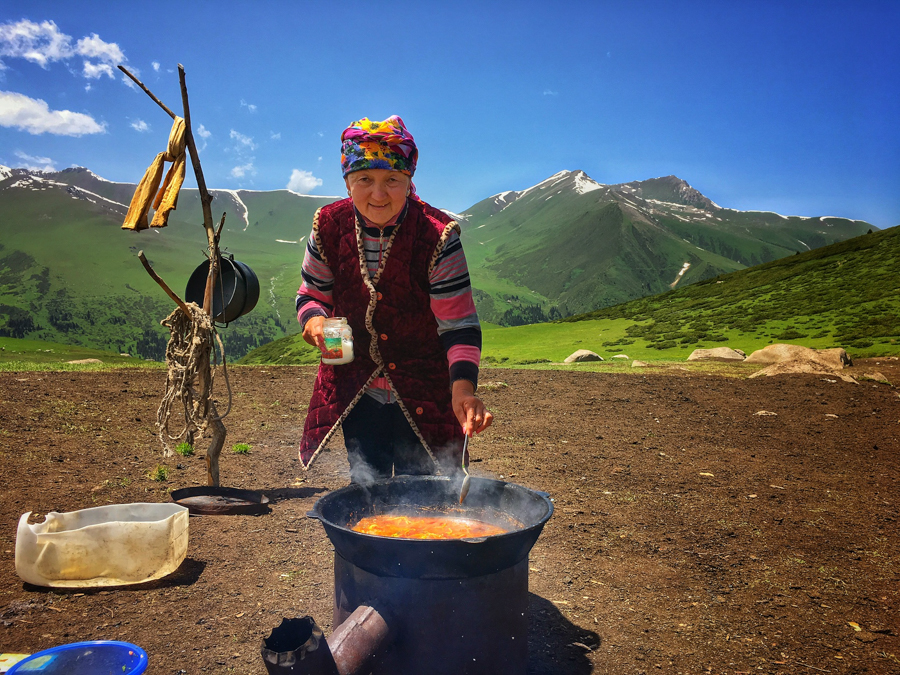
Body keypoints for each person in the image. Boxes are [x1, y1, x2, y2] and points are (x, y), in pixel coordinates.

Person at [296, 115, 492, 483]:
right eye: (365, 179)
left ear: (409, 180)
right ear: (348, 181)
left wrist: (463, 392)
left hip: (426, 389)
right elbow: (311, 293)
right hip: (357, 389)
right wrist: (314, 321)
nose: (379, 194)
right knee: (366, 487)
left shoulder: (438, 236)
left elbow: (458, 324)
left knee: (423, 496)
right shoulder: (327, 225)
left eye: (393, 180)